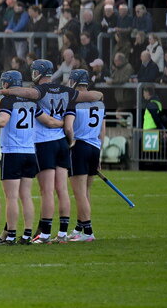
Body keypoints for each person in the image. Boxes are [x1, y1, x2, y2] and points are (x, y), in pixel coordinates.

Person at [0, 59, 102, 244]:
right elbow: (95, 95)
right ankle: (62, 233)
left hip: (44, 143)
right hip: (62, 143)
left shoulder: (40, 91)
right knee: (62, 189)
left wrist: (6, 91)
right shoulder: (65, 90)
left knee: (47, 190)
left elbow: (29, 93)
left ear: (37, 73)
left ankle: (45, 234)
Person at [0, 70, 54, 245]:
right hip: (29, 152)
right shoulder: (33, 102)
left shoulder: (8, 100)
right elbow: (48, 121)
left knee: (11, 197)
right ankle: (27, 234)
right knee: (25, 195)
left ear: (7, 84)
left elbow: (3, 121)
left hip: (12, 151)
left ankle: (10, 234)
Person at [63, 69, 106, 242]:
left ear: (74, 82)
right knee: (86, 191)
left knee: (79, 193)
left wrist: (70, 142)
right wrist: (100, 153)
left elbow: (68, 127)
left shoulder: (74, 101)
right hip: (94, 148)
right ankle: (80, 228)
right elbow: (102, 130)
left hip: (79, 147)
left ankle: (88, 231)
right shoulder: (99, 102)